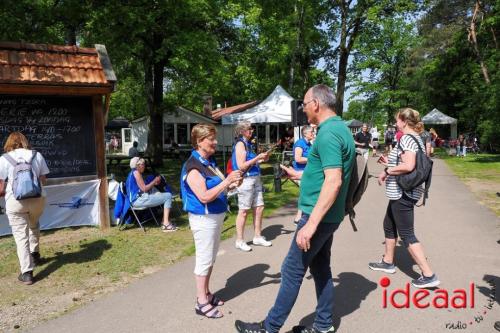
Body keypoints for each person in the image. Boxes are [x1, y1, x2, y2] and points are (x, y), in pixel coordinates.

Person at [235, 84, 355, 333]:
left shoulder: (328, 133)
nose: (303, 108)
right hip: (329, 215)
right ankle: (323, 325)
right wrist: (299, 175)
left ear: (316, 104)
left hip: (318, 216)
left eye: (304, 103)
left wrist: (310, 225)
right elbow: (326, 175)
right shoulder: (339, 128)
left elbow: (334, 181)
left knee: (291, 269)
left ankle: (269, 327)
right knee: (321, 267)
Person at [369, 107, 440, 289]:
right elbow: (407, 163)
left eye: (397, 120)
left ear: (404, 121)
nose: (395, 123)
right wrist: (390, 163)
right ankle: (388, 261)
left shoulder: (407, 138)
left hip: (403, 192)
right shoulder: (414, 138)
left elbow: (409, 165)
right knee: (388, 224)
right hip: (401, 191)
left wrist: (387, 170)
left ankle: (428, 274)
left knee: (407, 233)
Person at [180, 124, 242, 319]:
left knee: (211, 258)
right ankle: (201, 301)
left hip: (215, 217)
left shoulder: (209, 162)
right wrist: (226, 182)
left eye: (215, 138)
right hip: (203, 219)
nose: (215, 142)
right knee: (204, 259)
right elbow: (204, 196)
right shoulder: (193, 167)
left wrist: (231, 185)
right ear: (199, 142)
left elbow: (219, 188)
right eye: (211, 139)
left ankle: (206, 292)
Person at [0, 132, 49, 285]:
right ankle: (35, 254)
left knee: (21, 236)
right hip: (37, 199)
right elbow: (43, 180)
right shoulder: (36, 155)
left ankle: (27, 273)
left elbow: (1, 186)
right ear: (24, 141)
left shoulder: (4, 159)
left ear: (9, 143)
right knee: (33, 224)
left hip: (15, 202)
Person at [232, 121, 272, 252]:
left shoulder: (248, 144)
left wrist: (262, 159)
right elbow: (241, 165)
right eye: (249, 129)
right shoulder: (240, 144)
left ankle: (257, 236)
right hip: (246, 180)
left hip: (256, 178)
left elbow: (252, 163)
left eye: (251, 129)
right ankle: (239, 240)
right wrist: (257, 158)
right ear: (242, 131)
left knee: (259, 207)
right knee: (244, 210)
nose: (252, 131)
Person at [126, 157, 177, 232]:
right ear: (138, 165)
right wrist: (154, 181)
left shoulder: (132, 173)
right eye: (143, 164)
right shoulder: (136, 173)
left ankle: (165, 221)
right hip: (138, 201)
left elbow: (143, 188)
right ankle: (166, 223)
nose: (144, 166)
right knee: (168, 196)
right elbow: (144, 189)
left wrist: (153, 183)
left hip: (137, 199)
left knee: (159, 193)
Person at [291, 125, 314, 225]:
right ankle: (299, 217)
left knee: (307, 193)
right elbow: (298, 159)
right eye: (311, 132)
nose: (313, 133)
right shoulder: (300, 143)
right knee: (306, 193)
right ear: (305, 133)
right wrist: (311, 159)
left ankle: (302, 216)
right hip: (300, 172)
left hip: (308, 171)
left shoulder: (309, 144)